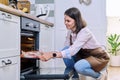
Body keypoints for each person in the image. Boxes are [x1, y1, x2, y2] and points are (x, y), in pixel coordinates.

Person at [22, 7, 110, 80]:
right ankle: (75, 77)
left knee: (79, 66)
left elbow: (72, 51)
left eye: (68, 21)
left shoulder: (85, 32)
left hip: (98, 57)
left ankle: (99, 76)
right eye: (65, 20)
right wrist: (47, 53)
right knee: (65, 50)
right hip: (84, 56)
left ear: (76, 20)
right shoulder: (70, 32)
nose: (65, 23)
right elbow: (66, 50)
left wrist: (52, 55)